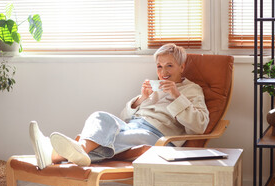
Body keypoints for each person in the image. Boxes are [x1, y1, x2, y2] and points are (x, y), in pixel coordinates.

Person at [30, 43, 210, 169]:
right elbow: (124, 117)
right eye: (159, 66)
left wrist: (176, 96)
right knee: (100, 116)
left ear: (182, 66)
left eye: (169, 65)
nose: (163, 72)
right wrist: (141, 99)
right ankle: (78, 150)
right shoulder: (154, 88)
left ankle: (56, 153)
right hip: (132, 126)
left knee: (107, 139)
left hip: (157, 136)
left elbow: (200, 126)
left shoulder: (191, 90)